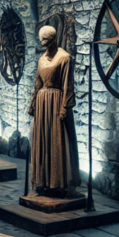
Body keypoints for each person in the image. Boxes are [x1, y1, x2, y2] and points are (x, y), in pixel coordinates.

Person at [28, 25, 81, 195]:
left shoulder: (64, 57)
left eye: (47, 40)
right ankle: (43, 180)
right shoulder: (41, 59)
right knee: (43, 140)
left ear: (53, 39)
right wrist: (33, 103)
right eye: (42, 40)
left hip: (57, 102)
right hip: (43, 103)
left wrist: (65, 106)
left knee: (58, 140)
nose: (44, 44)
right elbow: (37, 83)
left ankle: (60, 181)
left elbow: (68, 84)